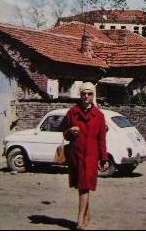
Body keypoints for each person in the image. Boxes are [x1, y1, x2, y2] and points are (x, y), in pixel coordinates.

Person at [60, 82, 109, 230]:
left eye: (89, 94)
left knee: (84, 186)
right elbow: (64, 134)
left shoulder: (99, 116)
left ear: (93, 95)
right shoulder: (72, 112)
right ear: (80, 95)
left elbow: (102, 139)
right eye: (83, 94)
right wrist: (70, 131)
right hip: (76, 155)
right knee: (81, 186)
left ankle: (80, 220)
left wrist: (104, 158)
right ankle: (87, 215)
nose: (86, 97)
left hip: (91, 156)